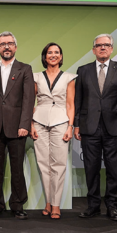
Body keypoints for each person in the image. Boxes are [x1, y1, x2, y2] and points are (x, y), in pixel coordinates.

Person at [74, 34, 117, 221]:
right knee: (91, 168)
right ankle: (93, 206)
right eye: (99, 45)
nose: (102, 48)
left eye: (106, 45)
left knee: (114, 168)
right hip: (89, 126)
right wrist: (76, 124)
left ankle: (112, 206)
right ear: (93, 49)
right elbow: (78, 100)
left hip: (115, 126)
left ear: (112, 49)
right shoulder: (83, 70)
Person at [0, 31, 35, 220]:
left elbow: (28, 99)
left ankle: (17, 204)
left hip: (18, 128)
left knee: (17, 170)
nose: (6, 46)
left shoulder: (25, 69)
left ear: (15, 47)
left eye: (10, 43)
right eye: (3, 44)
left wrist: (25, 124)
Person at [30, 42, 76, 219]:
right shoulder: (36, 77)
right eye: (50, 52)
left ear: (61, 57)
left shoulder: (69, 78)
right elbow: (31, 103)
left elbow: (70, 104)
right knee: (43, 164)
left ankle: (56, 204)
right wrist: (31, 125)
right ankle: (48, 201)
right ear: (45, 56)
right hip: (39, 121)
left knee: (58, 164)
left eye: (57, 52)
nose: (53, 55)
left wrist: (70, 126)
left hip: (61, 122)